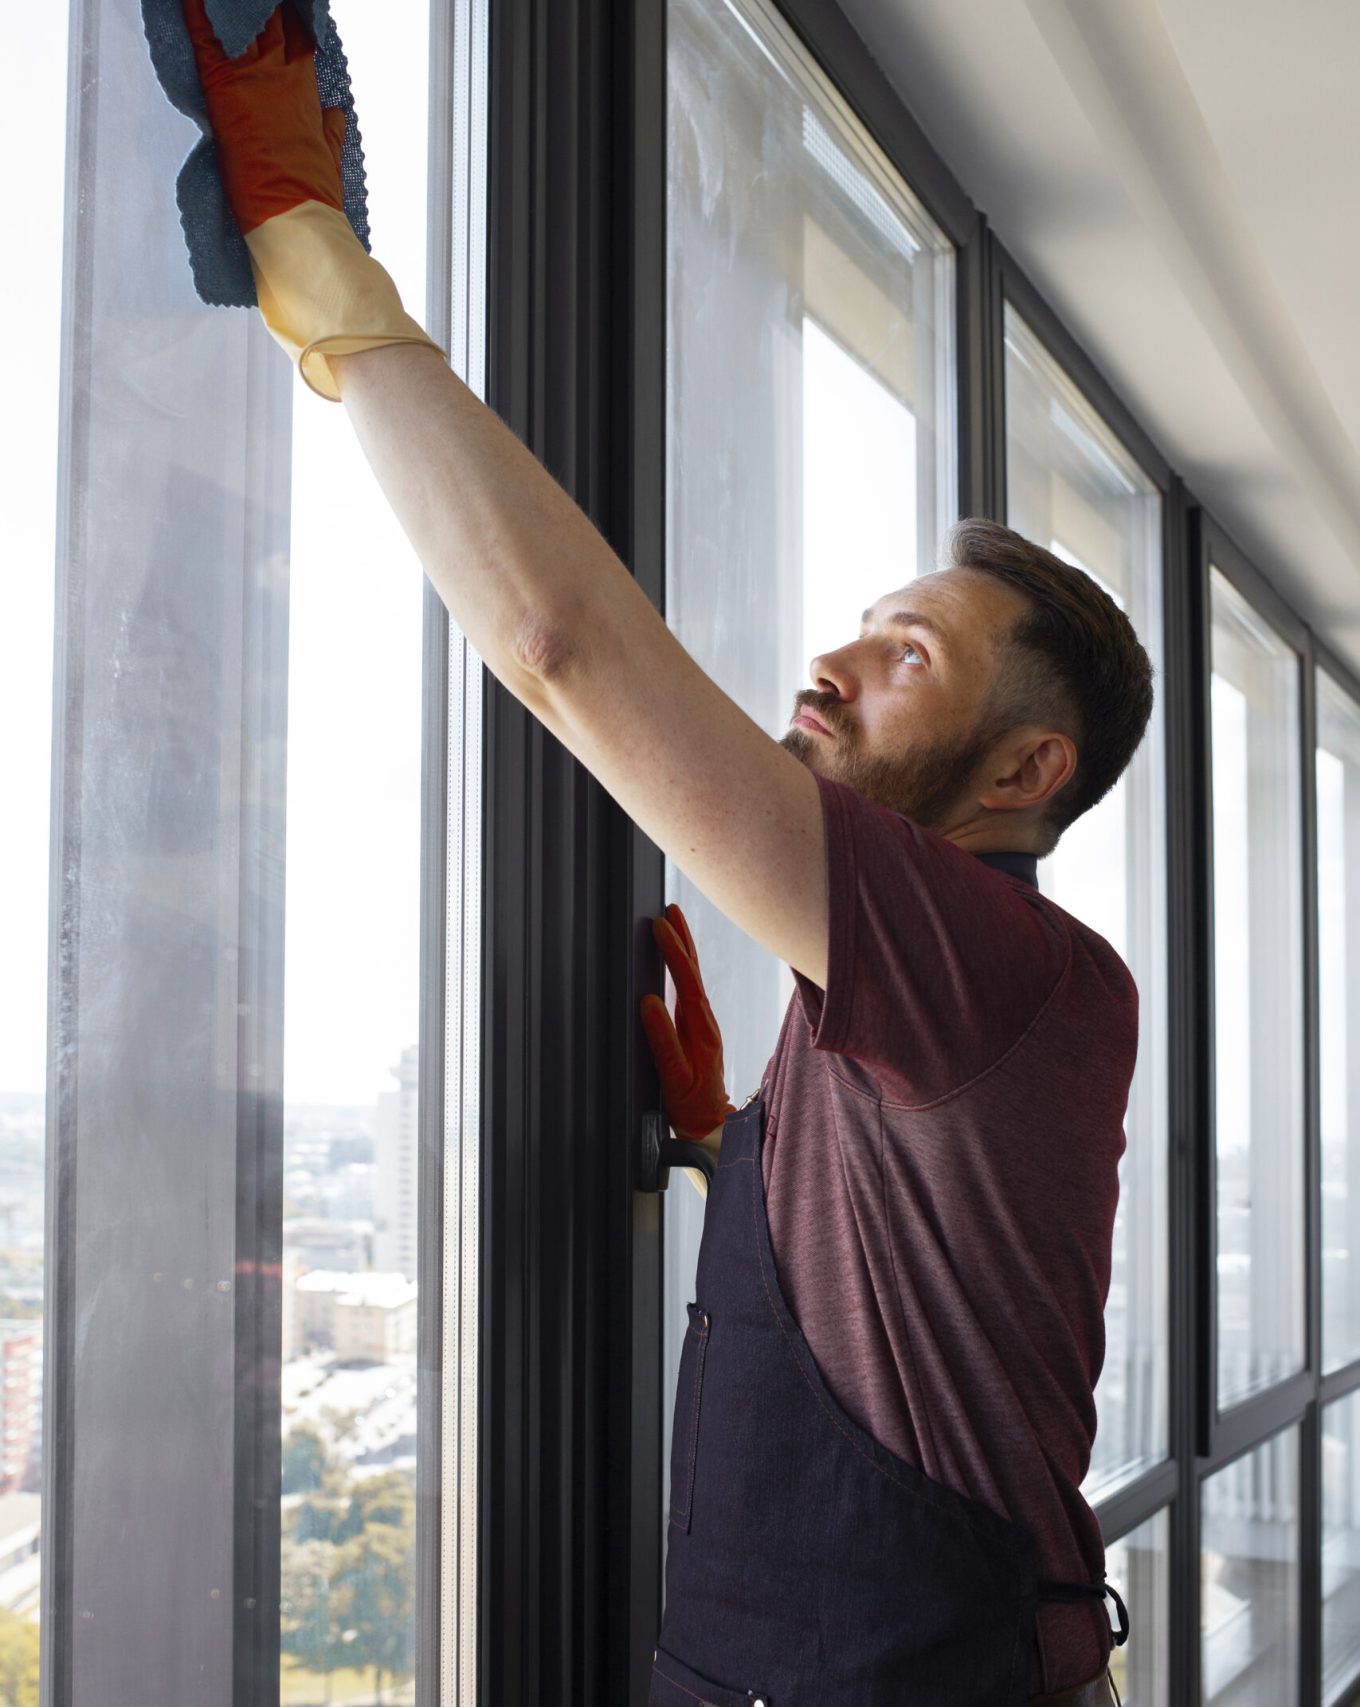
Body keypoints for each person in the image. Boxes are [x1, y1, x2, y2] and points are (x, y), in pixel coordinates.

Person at [177, 6, 1148, 1702]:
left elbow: (560, 644)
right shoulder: (922, 1004)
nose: (829, 665)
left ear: (1029, 768)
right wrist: (728, 1144)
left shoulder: (1018, 968)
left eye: (908, 655)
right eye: (860, 625)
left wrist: (320, 272)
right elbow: (907, 1295)